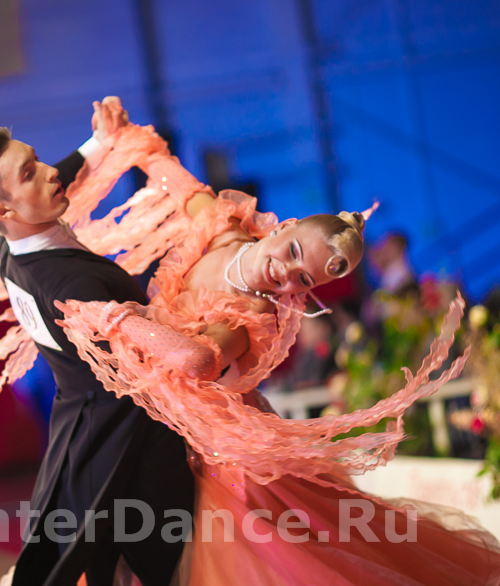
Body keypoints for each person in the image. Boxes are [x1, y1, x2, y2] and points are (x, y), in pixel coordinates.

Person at [55, 123, 500, 585]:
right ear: (283, 228)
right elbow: (179, 184)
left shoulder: (251, 315)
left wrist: (121, 321)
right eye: (292, 252)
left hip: (215, 448)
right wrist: (129, 138)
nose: (284, 274)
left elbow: (199, 361)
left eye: (302, 280)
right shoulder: (223, 229)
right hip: (167, 423)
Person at [0, 98, 195, 586]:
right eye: (29, 173)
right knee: (163, 561)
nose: (47, 172)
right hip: (130, 436)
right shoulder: (70, 285)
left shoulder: (12, 244)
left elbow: (60, 174)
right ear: (3, 210)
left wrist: (99, 142)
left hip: (79, 419)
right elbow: (157, 356)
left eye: (36, 158)